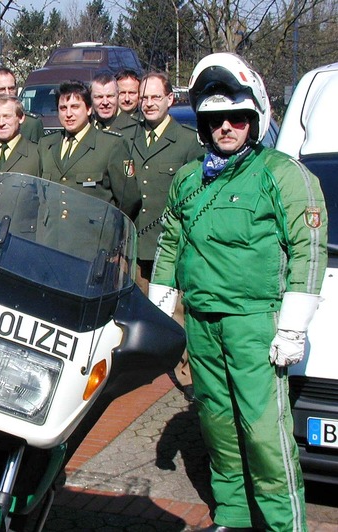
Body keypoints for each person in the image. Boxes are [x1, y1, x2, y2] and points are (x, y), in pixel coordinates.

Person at [150, 52, 327, 531]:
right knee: (218, 424)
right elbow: (170, 246)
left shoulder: (282, 175)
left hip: (255, 325)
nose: (226, 127)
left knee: (265, 434)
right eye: (214, 120)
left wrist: (292, 327)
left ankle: (282, 523)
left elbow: (308, 251)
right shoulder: (189, 180)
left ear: (254, 118)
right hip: (202, 323)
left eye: (236, 118)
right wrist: (161, 315)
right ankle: (233, 514)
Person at [121, 71, 204, 398]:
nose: (149, 103)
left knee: (178, 317)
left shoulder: (186, 141)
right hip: (137, 241)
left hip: (171, 245)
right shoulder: (130, 137)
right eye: (145, 98)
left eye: (156, 97)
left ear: (171, 99)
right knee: (139, 314)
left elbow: (195, 198)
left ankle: (187, 377)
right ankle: (139, 375)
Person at [38, 80, 140, 218]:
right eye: (63, 108)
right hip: (52, 236)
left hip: (92, 236)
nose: (68, 114)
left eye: (75, 107)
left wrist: (108, 228)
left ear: (89, 109)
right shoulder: (47, 145)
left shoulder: (111, 145)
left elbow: (129, 199)